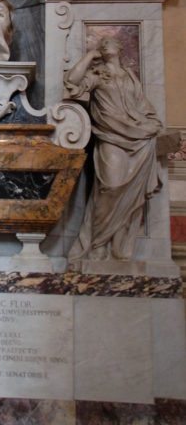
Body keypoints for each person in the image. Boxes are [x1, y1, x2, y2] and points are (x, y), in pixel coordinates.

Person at [64, 37, 162, 263]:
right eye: (102, 42)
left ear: (120, 48)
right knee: (110, 187)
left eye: (110, 42)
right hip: (110, 137)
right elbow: (72, 81)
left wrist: (148, 126)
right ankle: (96, 243)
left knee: (129, 195)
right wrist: (89, 56)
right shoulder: (99, 75)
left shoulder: (130, 78)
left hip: (139, 141)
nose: (106, 43)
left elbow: (145, 109)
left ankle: (114, 246)